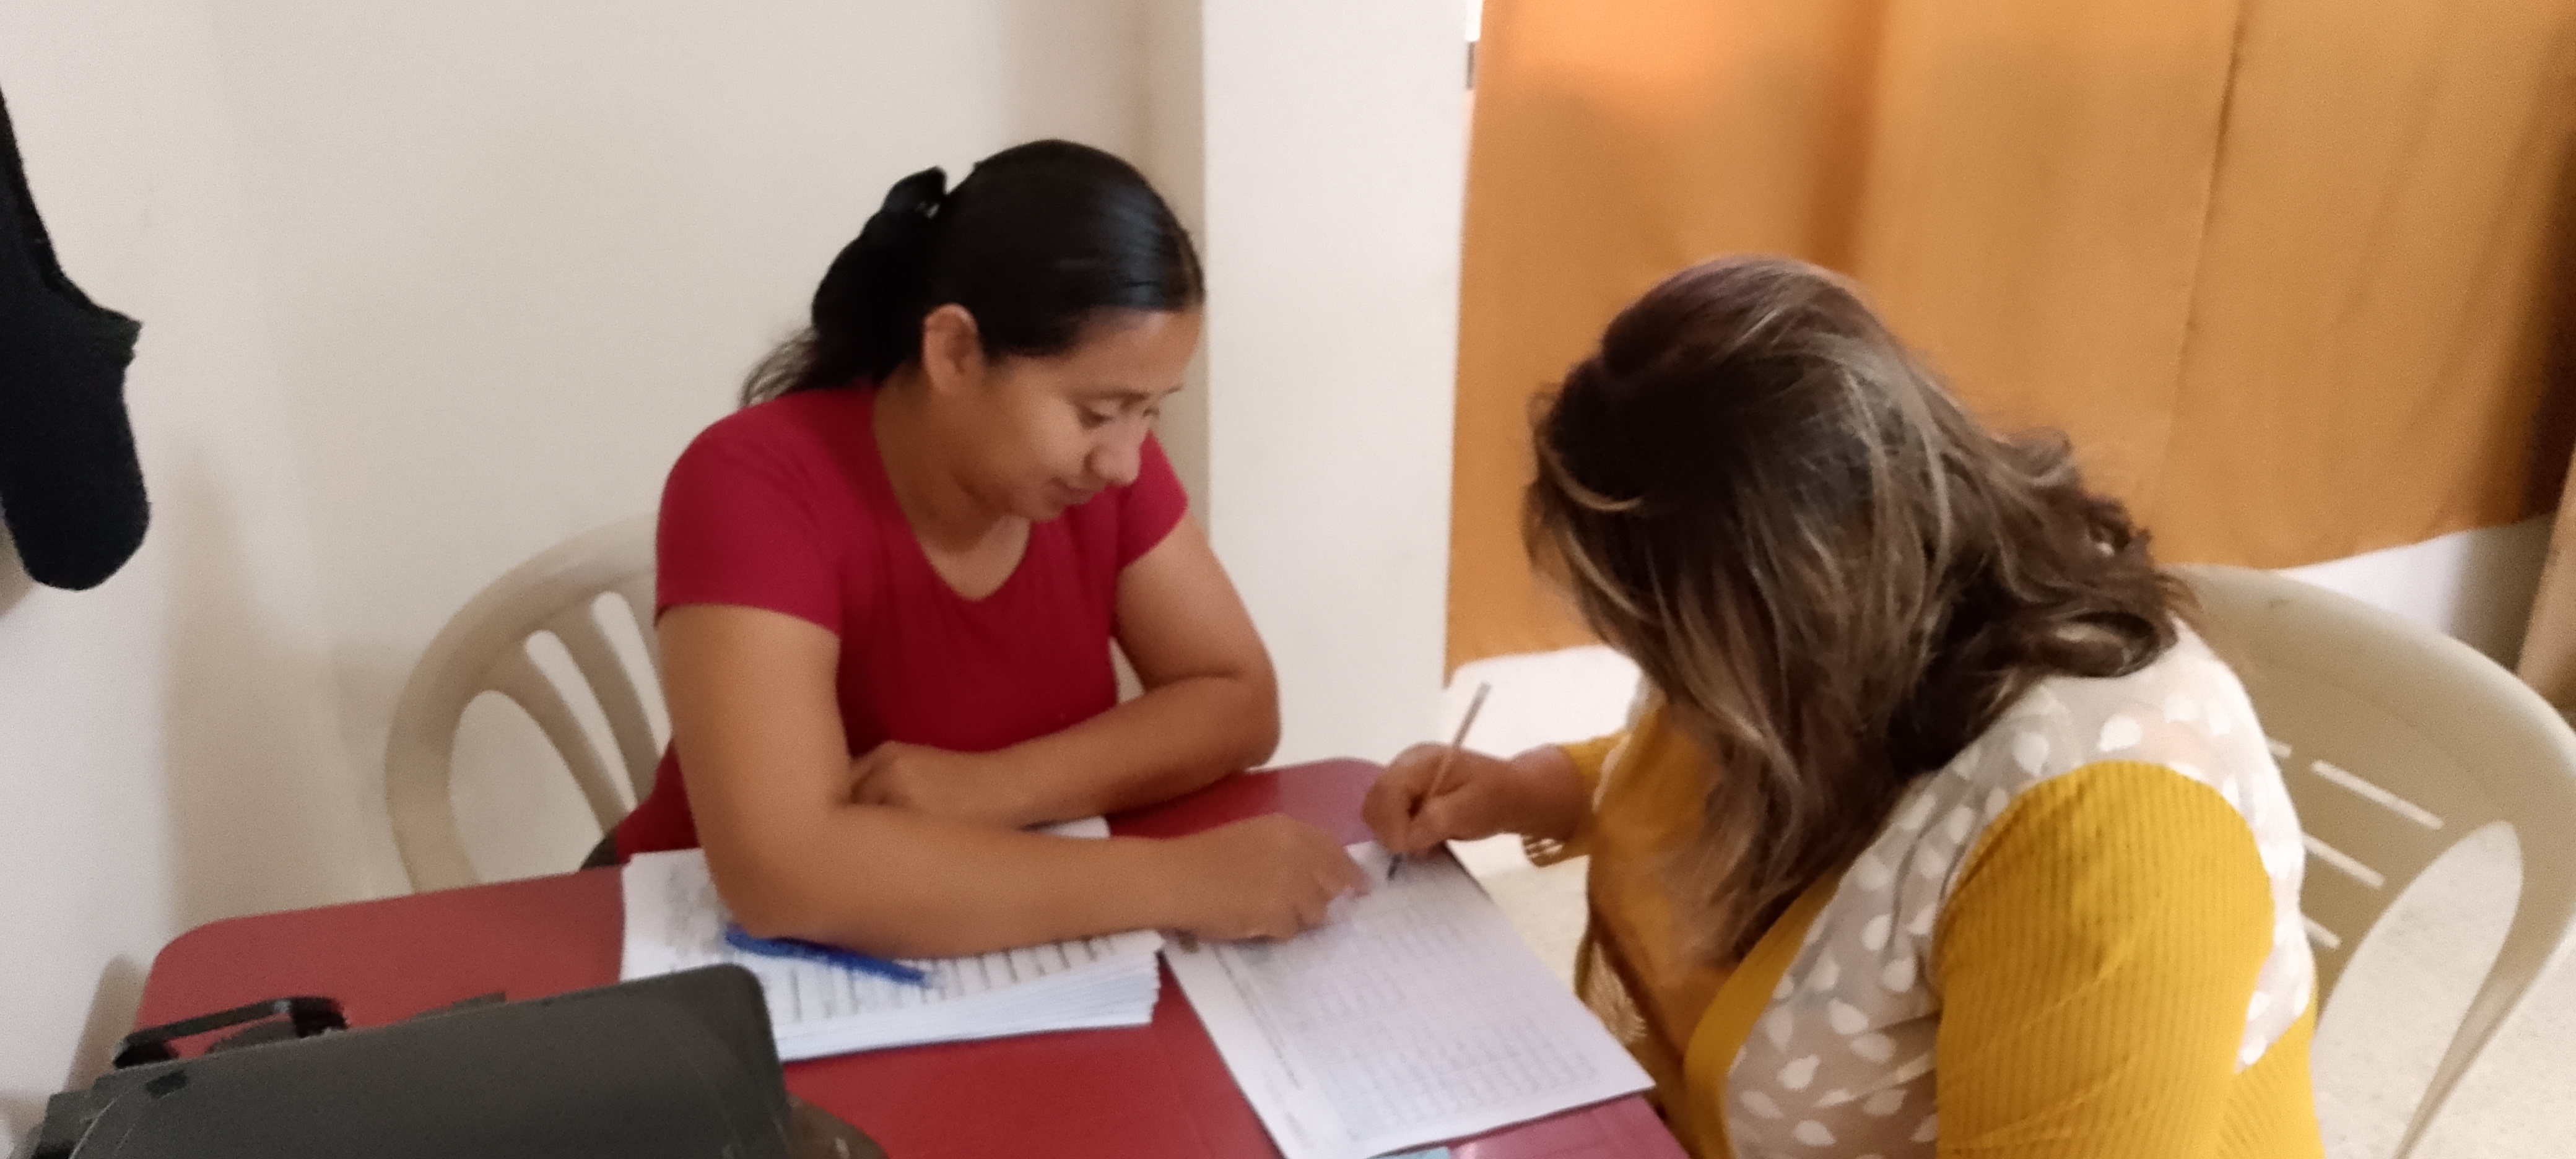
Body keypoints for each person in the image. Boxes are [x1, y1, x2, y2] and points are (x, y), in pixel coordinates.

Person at [1365, 257, 2323, 1158]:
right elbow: (1697, 768)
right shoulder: (1835, 642)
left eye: (1675, 653)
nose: (1669, 691)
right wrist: (1529, 789)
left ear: (1805, 607)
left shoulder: (2106, 844)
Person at [613, 140, 1367, 957]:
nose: (1123, 461)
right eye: (1097, 412)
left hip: (1001, 926)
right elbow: (782, 872)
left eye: (1150, 411)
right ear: (955, 351)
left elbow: (1236, 698)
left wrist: (992, 788)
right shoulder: (752, 482)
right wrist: (1180, 881)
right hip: (708, 958)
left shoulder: (1099, 470)